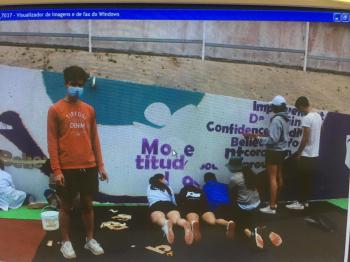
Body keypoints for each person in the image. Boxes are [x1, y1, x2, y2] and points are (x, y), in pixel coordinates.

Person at [47, 66, 109, 259]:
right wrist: (57, 170)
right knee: (65, 206)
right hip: (67, 168)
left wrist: (100, 166)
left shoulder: (89, 110)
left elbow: (95, 140)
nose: (77, 88)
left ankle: (89, 240)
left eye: (80, 85)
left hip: (89, 167)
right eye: (73, 84)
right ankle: (65, 243)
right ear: (66, 83)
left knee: (88, 205)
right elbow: (52, 142)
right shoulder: (55, 110)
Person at [246, 95, 289, 214]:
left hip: (274, 151)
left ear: (275, 107)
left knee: (272, 178)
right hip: (282, 151)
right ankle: (274, 201)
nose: (271, 108)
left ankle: (272, 206)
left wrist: (257, 137)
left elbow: (272, 140)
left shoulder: (276, 119)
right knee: (279, 176)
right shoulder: (286, 118)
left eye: (272, 106)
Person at [227, 157, 282, 249]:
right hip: (257, 203)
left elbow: (231, 193)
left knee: (240, 222)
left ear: (232, 168)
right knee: (251, 220)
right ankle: (263, 232)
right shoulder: (250, 172)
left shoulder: (234, 178)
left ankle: (251, 234)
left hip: (245, 207)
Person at [286, 96, 322, 210]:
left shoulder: (306, 118)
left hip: (306, 155)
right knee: (307, 180)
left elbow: (305, 139)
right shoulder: (318, 116)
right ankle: (305, 201)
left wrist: (298, 153)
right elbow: (322, 129)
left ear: (301, 106)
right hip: (315, 155)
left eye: (298, 109)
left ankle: (300, 203)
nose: (299, 112)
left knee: (301, 180)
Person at [147, 173, 193, 245]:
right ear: (160, 179)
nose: (165, 180)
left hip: (156, 205)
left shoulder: (150, 186)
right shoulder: (168, 187)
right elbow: (173, 200)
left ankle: (165, 223)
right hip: (169, 204)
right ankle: (184, 223)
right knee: (177, 219)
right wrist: (175, 207)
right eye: (164, 179)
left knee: (159, 218)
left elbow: (149, 199)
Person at [202, 172, 236, 239]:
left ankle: (227, 223)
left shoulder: (205, 187)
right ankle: (230, 221)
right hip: (228, 205)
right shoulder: (224, 185)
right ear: (215, 178)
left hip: (216, 206)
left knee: (216, 219)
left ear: (205, 180)